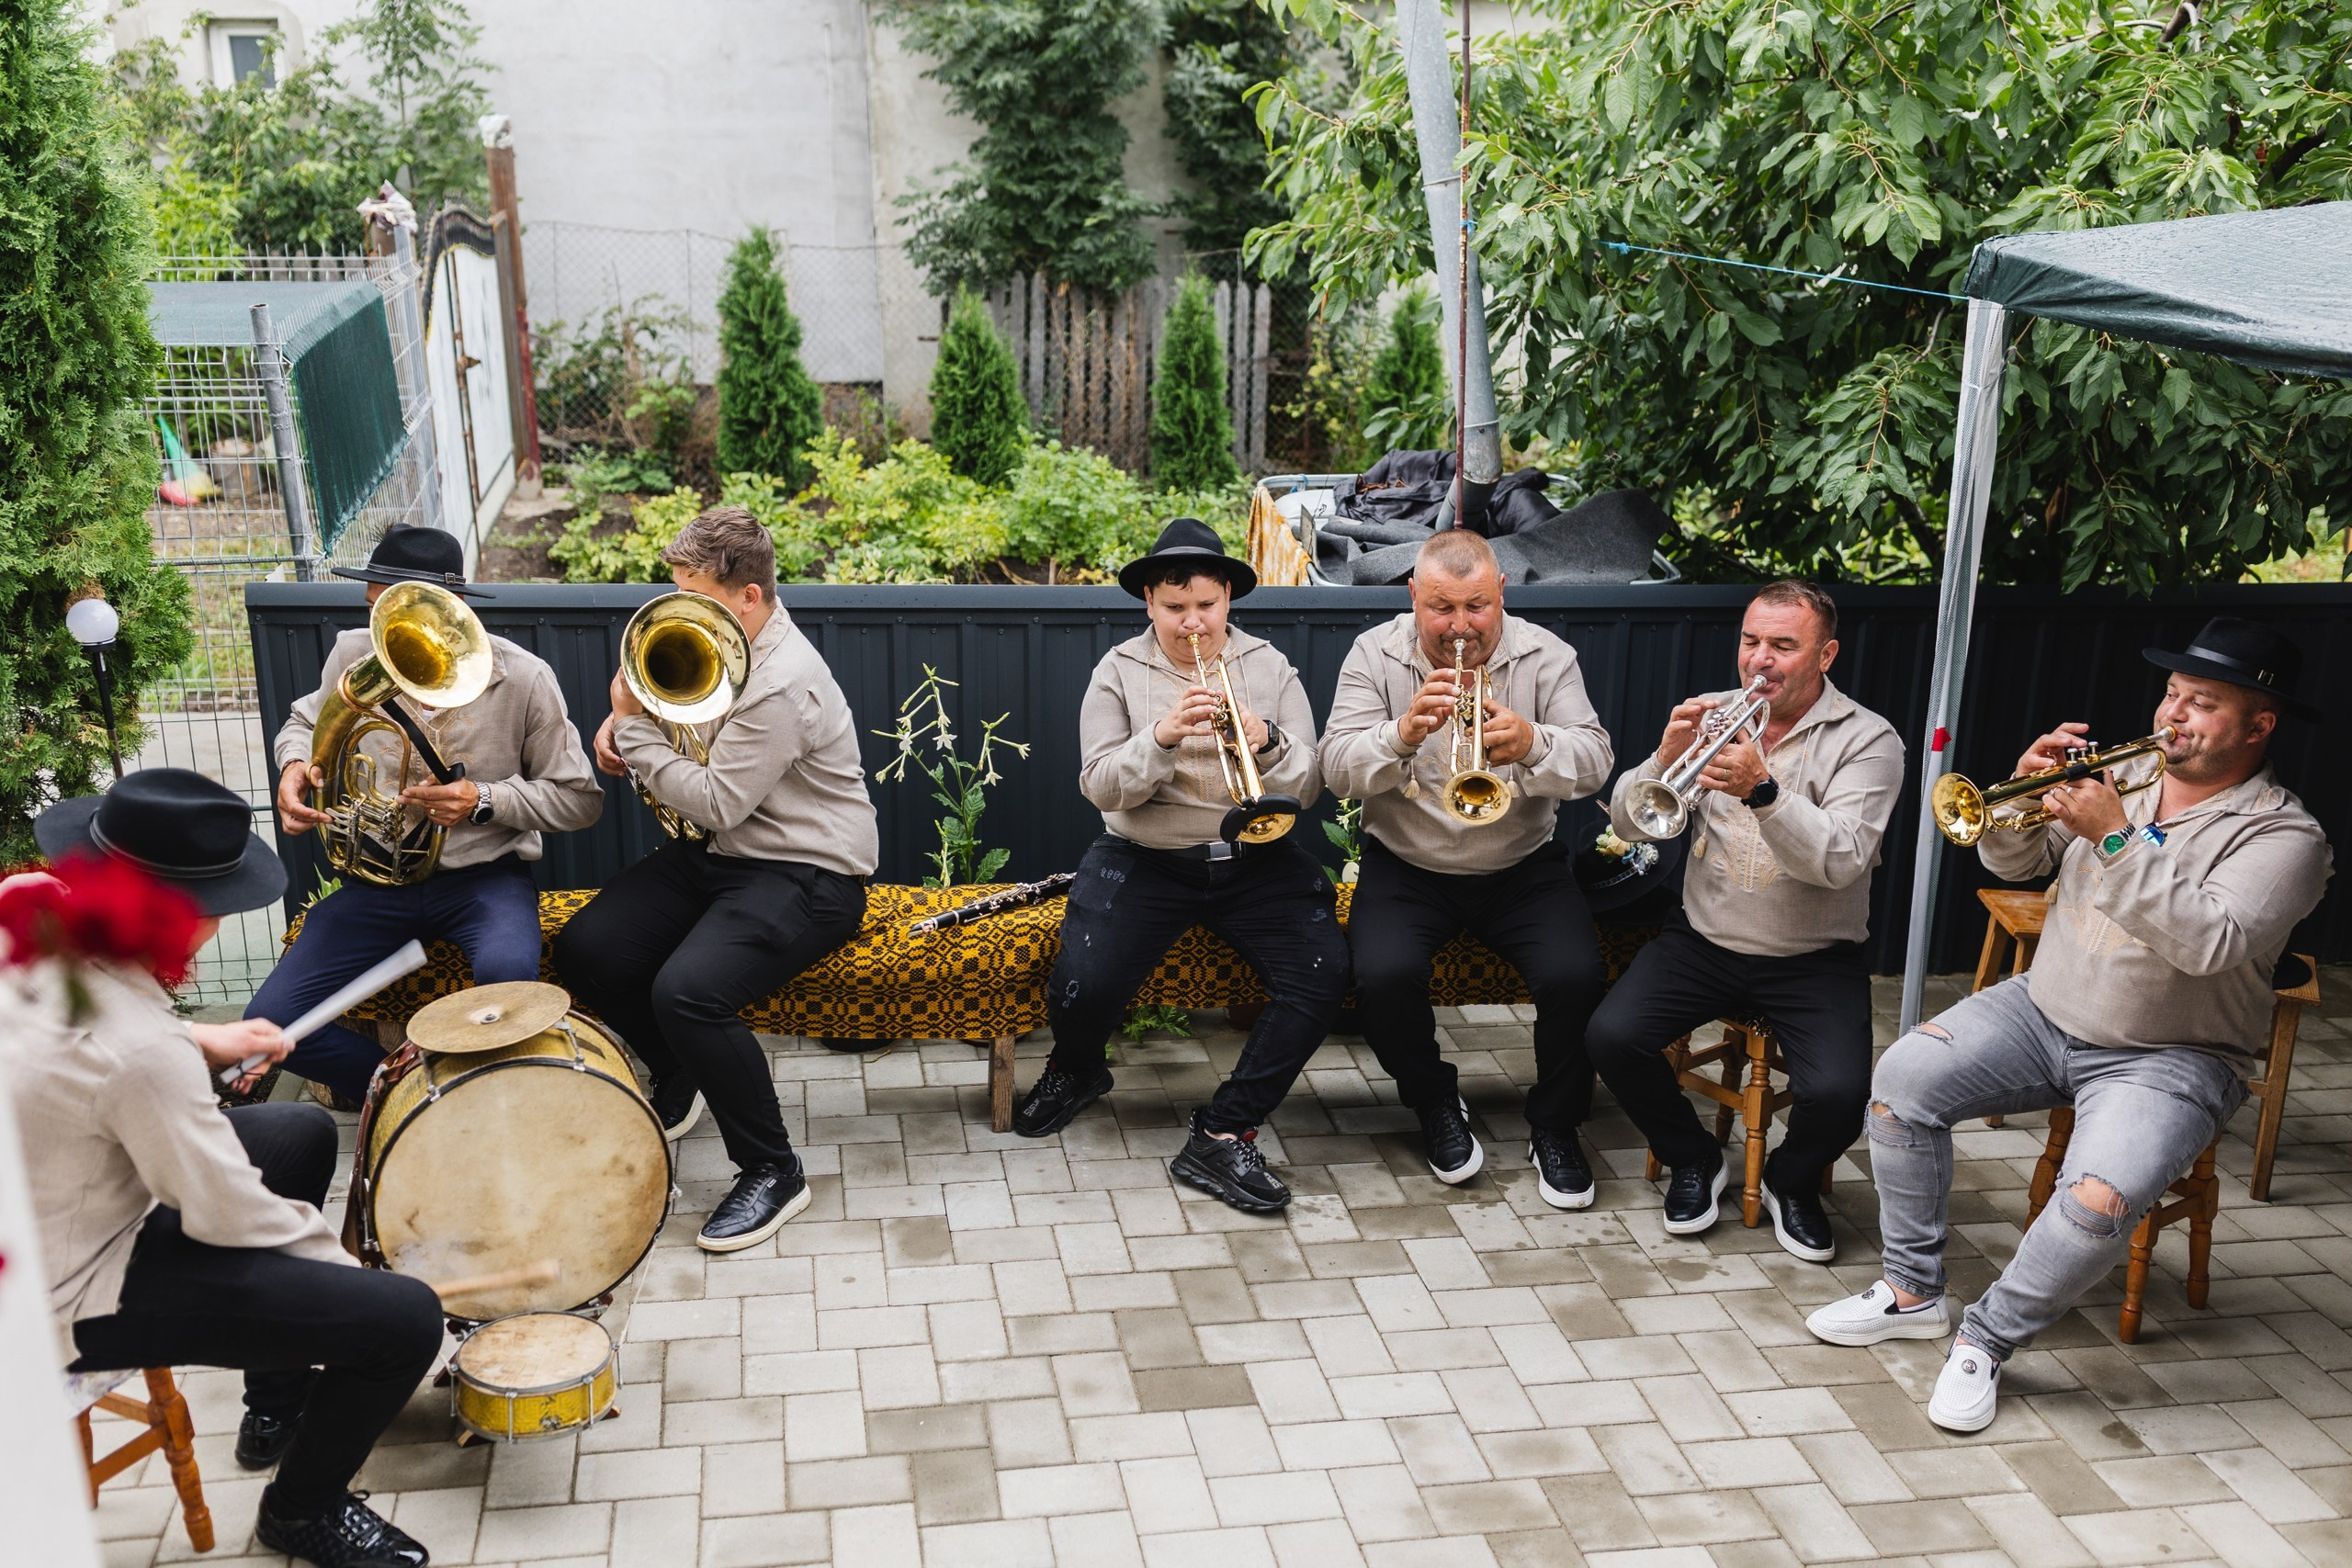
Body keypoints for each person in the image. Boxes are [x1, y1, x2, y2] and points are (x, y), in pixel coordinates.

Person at [1808, 616, 2331, 1433]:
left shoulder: (2285, 837)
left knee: (2095, 1199)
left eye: (2205, 703)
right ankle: (1912, 1290)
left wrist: (2114, 833)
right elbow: (2017, 866)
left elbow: (2211, 942)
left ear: (2260, 724)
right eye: (2173, 692)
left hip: (2173, 1055)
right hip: (2044, 1008)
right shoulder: (2125, 771)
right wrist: (2018, 807)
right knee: (1900, 1083)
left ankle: (1985, 1335)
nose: (2175, 714)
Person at [11, 770, 444, 1568]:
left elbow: (97, 1029)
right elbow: (225, 1211)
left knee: (301, 1133)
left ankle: (277, 1399)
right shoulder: (138, 1056)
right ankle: (302, 1509)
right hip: (65, 1285)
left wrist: (208, 1041)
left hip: (48, 1195)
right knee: (402, 1320)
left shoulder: (31, 909)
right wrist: (355, 1281)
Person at [555, 506, 878, 1253]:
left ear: (749, 598)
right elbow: (684, 741)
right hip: (725, 855)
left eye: (695, 596)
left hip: (809, 870)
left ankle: (774, 1169)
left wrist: (628, 727)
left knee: (688, 991)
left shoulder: (783, 681)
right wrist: (624, 732)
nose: (681, 613)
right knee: (586, 950)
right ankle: (679, 1069)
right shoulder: (722, 642)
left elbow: (716, 797)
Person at [1007, 518, 1348, 1213]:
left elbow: (1310, 785)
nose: (1192, 622)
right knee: (1083, 980)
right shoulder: (1120, 671)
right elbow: (1100, 785)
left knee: (1325, 976)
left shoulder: (1270, 667)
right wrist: (1160, 736)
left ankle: (1222, 1129)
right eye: (1174, 607)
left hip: (1257, 854)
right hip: (1146, 853)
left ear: (1227, 596)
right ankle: (1076, 1069)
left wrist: (1270, 739)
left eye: (1205, 605)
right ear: (1149, 604)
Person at [1589, 581, 1903, 1259]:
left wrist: (1764, 791)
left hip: (1813, 954)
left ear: (1826, 655)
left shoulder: (1869, 740)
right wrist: (1667, 758)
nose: (1759, 660)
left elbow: (1842, 859)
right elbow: (1626, 824)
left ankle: (1791, 1182)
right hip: (1704, 939)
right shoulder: (1718, 714)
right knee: (1611, 1037)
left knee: (1843, 1092)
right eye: (1751, 641)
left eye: (1783, 646)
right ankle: (1695, 1155)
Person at [253, 525, 603, 1106]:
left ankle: (497, 1102)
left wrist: (485, 801)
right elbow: (300, 725)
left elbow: (581, 800)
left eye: (400, 618)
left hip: (484, 881)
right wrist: (294, 767)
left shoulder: (525, 677)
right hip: (373, 884)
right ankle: (417, 1092)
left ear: (455, 608)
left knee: (508, 987)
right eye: (377, 613)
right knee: (270, 1025)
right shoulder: (353, 650)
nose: (380, 634)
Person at [1321, 529, 1616, 1206]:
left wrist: (1536, 742)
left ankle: (1555, 1123)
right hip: (1406, 861)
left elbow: (1596, 760)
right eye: (1442, 608)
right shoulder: (1374, 654)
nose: (1460, 627)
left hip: (1520, 863)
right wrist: (1398, 735)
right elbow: (1333, 767)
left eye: (1477, 607)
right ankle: (1433, 1102)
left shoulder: (1547, 654)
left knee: (1575, 976)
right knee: (1382, 977)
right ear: (1414, 598)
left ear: (1501, 594)